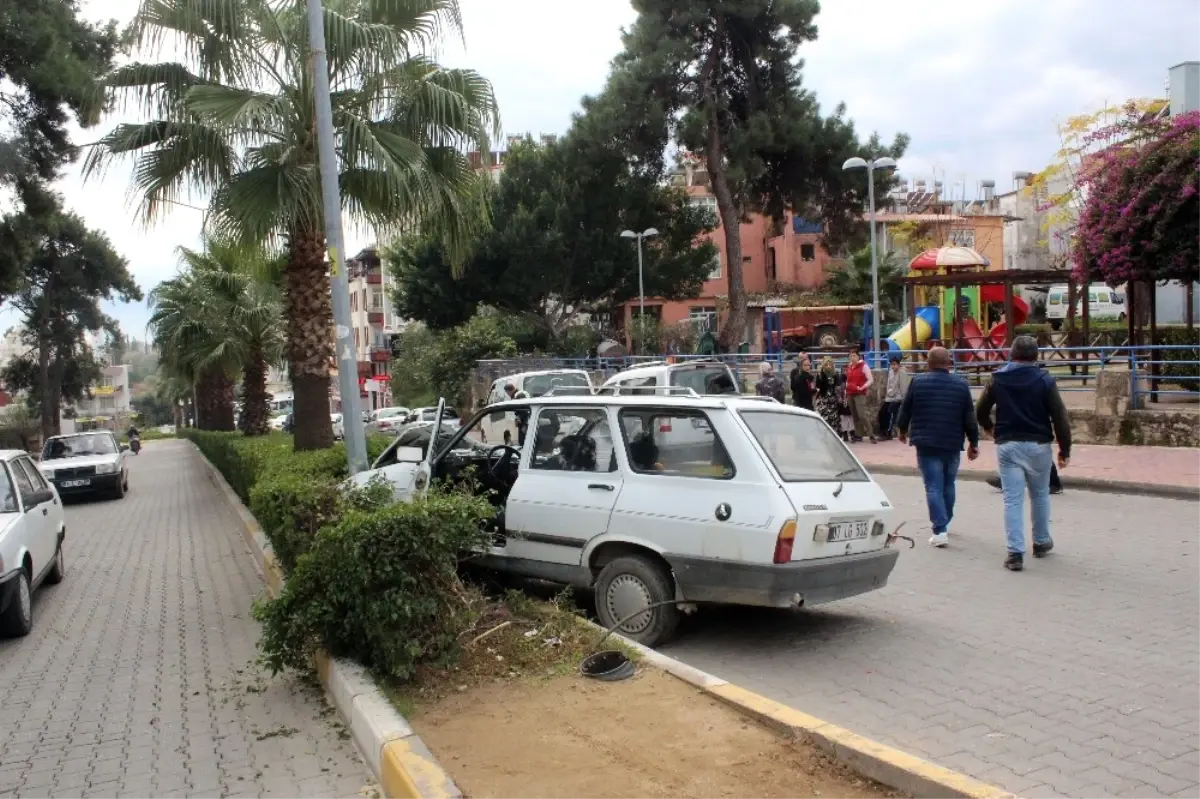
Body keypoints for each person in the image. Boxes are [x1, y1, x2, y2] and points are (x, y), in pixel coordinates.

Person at [975, 335, 1072, 572]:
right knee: (1040, 495)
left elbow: (980, 409)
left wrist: (989, 427)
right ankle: (1041, 542)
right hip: (1039, 445)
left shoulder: (997, 379)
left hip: (1008, 444)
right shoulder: (1045, 380)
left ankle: (1015, 553)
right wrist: (1064, 449)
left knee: (1012, 499)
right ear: (1036, 355)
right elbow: (1059, 416)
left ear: (1012, 353)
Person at [896, 346, 980, 548]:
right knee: (948, 484)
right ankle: (945, 520)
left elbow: (905, 409)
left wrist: (901, 430)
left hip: (926, 443)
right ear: (948, 363)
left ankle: (940, 529)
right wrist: (973, 443)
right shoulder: (961, 385)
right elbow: (970, 418)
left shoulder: (918, 382)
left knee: (933, 486)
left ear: (929, 363)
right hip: (952, 443)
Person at [844, 349, 875, 443]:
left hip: (859, 393)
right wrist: (846, 391)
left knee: (862, 414)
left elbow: (870, 379)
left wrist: (863, 387)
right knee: (854, 415)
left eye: (854, 355)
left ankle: (871, 434)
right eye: (851, 356)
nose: (852, 358)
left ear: (858, 356)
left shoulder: (864, 366)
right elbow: (847, 380)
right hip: (850, 393)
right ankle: (858, 434)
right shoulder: (849, 366)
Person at [876, 358, 911, 440]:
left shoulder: (902, 372)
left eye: (894, 364)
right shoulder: (891, 372)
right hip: (889, 397)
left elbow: (903, 386)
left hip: (897, 398)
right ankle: (882, 431)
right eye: (892, 364)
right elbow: (889, 385)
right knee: (882, 412)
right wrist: (887, 395)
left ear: (898, 365)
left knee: (890, 413)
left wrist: (903, 399)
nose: (893, 366)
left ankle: (888, 433)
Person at [814, 357, 841, 433]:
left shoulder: (835, 374)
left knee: (833, 417)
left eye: (830, 364)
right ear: (823, 365)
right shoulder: (820, 374)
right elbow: (817, 386)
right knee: (823, 416)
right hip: (823, 399)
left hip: (832, 399)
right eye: (826, 365)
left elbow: (837, 385)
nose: (828, 366)